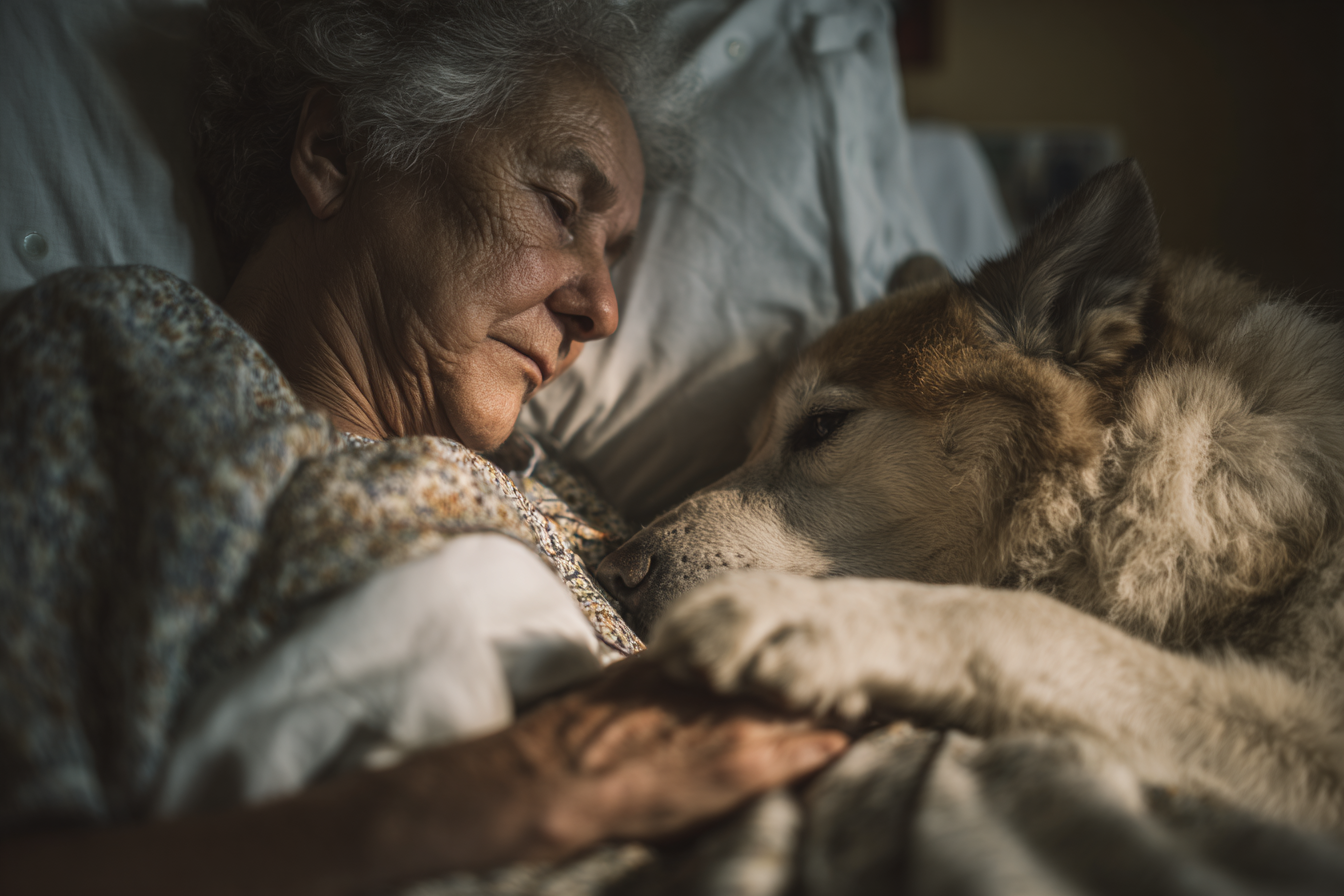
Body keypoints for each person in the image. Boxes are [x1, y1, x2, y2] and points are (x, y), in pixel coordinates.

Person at [0, 1, 848, 893]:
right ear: (334, 152)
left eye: (616, 256)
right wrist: (468, 805)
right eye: (561, 206)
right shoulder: (122, 358)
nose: (603, 312)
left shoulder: (567, 495)